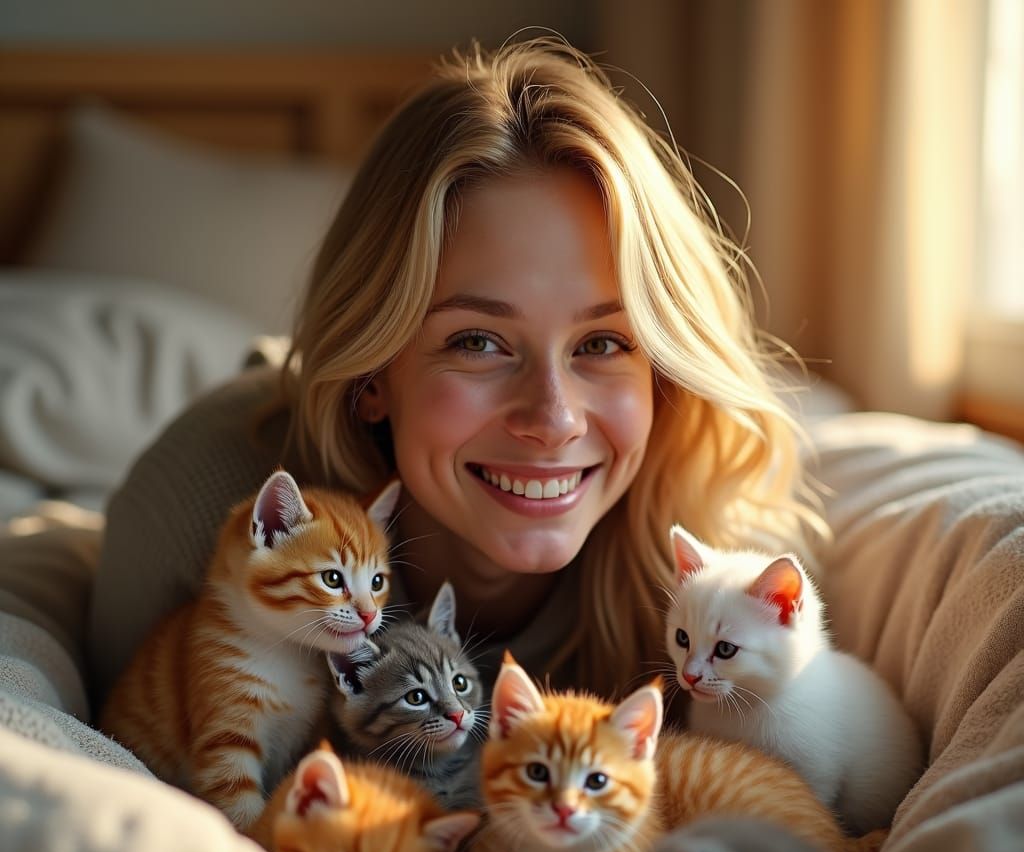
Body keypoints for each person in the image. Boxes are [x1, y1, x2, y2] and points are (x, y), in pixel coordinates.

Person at [88, 38, 823, 718]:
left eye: (602, 341)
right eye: (478, 341)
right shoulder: (197, 513)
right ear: (371, 371)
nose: (554, 417)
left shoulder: (728, 572)